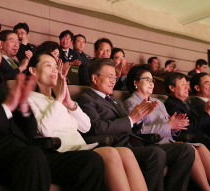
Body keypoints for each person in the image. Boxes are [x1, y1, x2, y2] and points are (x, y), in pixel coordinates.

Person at [0, 29, 105, 191]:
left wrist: (24, 110)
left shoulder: (1, 89)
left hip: (24, 152)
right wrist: (6, 108)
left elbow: (28, 132)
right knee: (32, 155)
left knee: (90, 161)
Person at [27, 52, 148, 191]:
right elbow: (45, 129)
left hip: (81, 147)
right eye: (48, 65)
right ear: (33, 70)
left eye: (56, 66)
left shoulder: (61, 100)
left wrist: (68, 102)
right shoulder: (29, 98)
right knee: (110, 153)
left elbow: (85, 126)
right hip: (60, 152)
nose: (54, 69)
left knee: (126, 152)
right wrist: (59, 99)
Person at [76, 58, 195, 191]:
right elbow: (97, 128)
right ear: (94, 78)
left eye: (115, 77)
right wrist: (132, 119)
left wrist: (138, 118)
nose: (113, 80)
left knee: (186, 150)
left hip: (132, 144)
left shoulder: (116, 101)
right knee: (155, 153)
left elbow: (134, 126)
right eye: (110, 76)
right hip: (114, 147)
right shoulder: (86, 99)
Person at [124, 65, 210, 191]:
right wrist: (168, 125)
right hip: (152, 144)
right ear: (135, 82)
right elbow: (138, 131)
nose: (151, 83)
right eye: (147, 79)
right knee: (188, 149)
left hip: (170, 142)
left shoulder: (158, 102)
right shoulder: (131, 103)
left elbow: (170, 127)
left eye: (152, 80)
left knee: (199, 147)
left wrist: (176, 126)